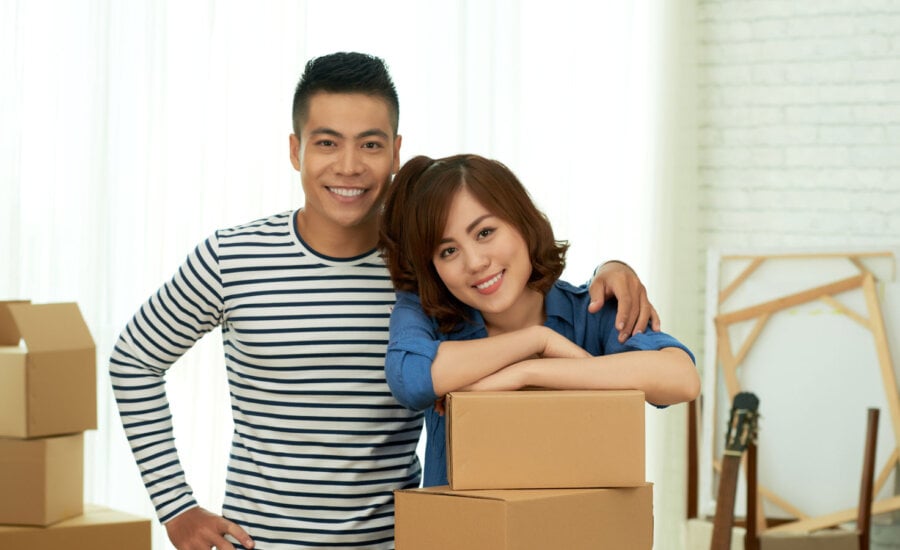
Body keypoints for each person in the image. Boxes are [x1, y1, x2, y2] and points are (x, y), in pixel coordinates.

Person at [109, 52, 660, 550]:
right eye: (327, 142)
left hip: (400, 542)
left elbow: (516, 288)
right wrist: (176, 507)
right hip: (256, 543)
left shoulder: (429, 272)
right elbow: (133, 360)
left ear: (396, 152)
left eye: (370, 144)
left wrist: (609, 271)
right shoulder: (231, 258)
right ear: (295, 150)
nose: (349, 166)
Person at [379, 153, 701, 488]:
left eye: (485, 232)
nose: (475, 262)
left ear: (522, 221)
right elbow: (411, 380)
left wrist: (527, 372)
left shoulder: (589, 312)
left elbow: (682, 379)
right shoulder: (431, 318)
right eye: (448, 251)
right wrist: (537, 341)